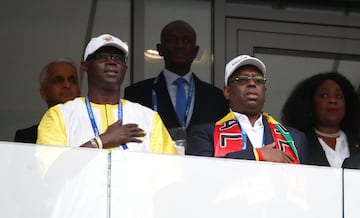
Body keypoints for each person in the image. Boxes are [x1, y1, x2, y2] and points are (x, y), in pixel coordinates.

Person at [36, 33, 177, 154]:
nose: (112, 62)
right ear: (85, 65)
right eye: (103, 56)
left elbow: (170, 175)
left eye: (119, 58)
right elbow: (51, 172)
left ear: (125, 67)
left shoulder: (148, 118)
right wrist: (102, 141)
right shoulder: (59, 115)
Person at [124, 20, 229, 150]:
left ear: (195, 51)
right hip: (154, 165)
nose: (180, 45)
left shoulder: (216, 97)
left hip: (203, 166)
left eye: (187, 41)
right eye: (172, 40)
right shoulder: (137, 93)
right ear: (160, 49)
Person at [186, 55, 307, 164]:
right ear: (227, 92)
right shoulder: (203, 134)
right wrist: (258, 155)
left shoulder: (294, 138)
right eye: (243, 79)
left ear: (264, 91)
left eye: (258, 80)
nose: (252, 83)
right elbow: (203, 174)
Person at [281, 72, 360, 168]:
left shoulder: (356, 142)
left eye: (338, 96)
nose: (332, 101)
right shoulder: (297, 144)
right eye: (324, 95)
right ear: (310, 102)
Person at [14, 58, 81, 143]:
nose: (67, 85)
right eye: (58, 80)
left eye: (72, 81)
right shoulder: (26, 137)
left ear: (79, 92)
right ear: (44, 93)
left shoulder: (91, 130)